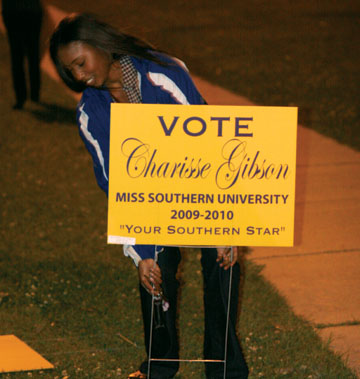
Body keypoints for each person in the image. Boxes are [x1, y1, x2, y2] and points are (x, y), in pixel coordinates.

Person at [50, 14, 249, 379]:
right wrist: (140, 253)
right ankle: (160, 364)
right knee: (155, 270)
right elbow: (114, 185)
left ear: (101, 46)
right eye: (69, 70)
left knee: (223, 262)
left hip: (201, 185)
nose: (78, 76)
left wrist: (224, 224)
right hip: (148, 199)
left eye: (81, 63)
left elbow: (211, 146)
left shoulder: (164, 73)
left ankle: (225, 367)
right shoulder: (90, 114)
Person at [1, 0, 43, 109]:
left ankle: (22, 96)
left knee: (18, 57)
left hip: (15, 12)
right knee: (31, 55)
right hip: (30, 11)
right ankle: (34, 93)